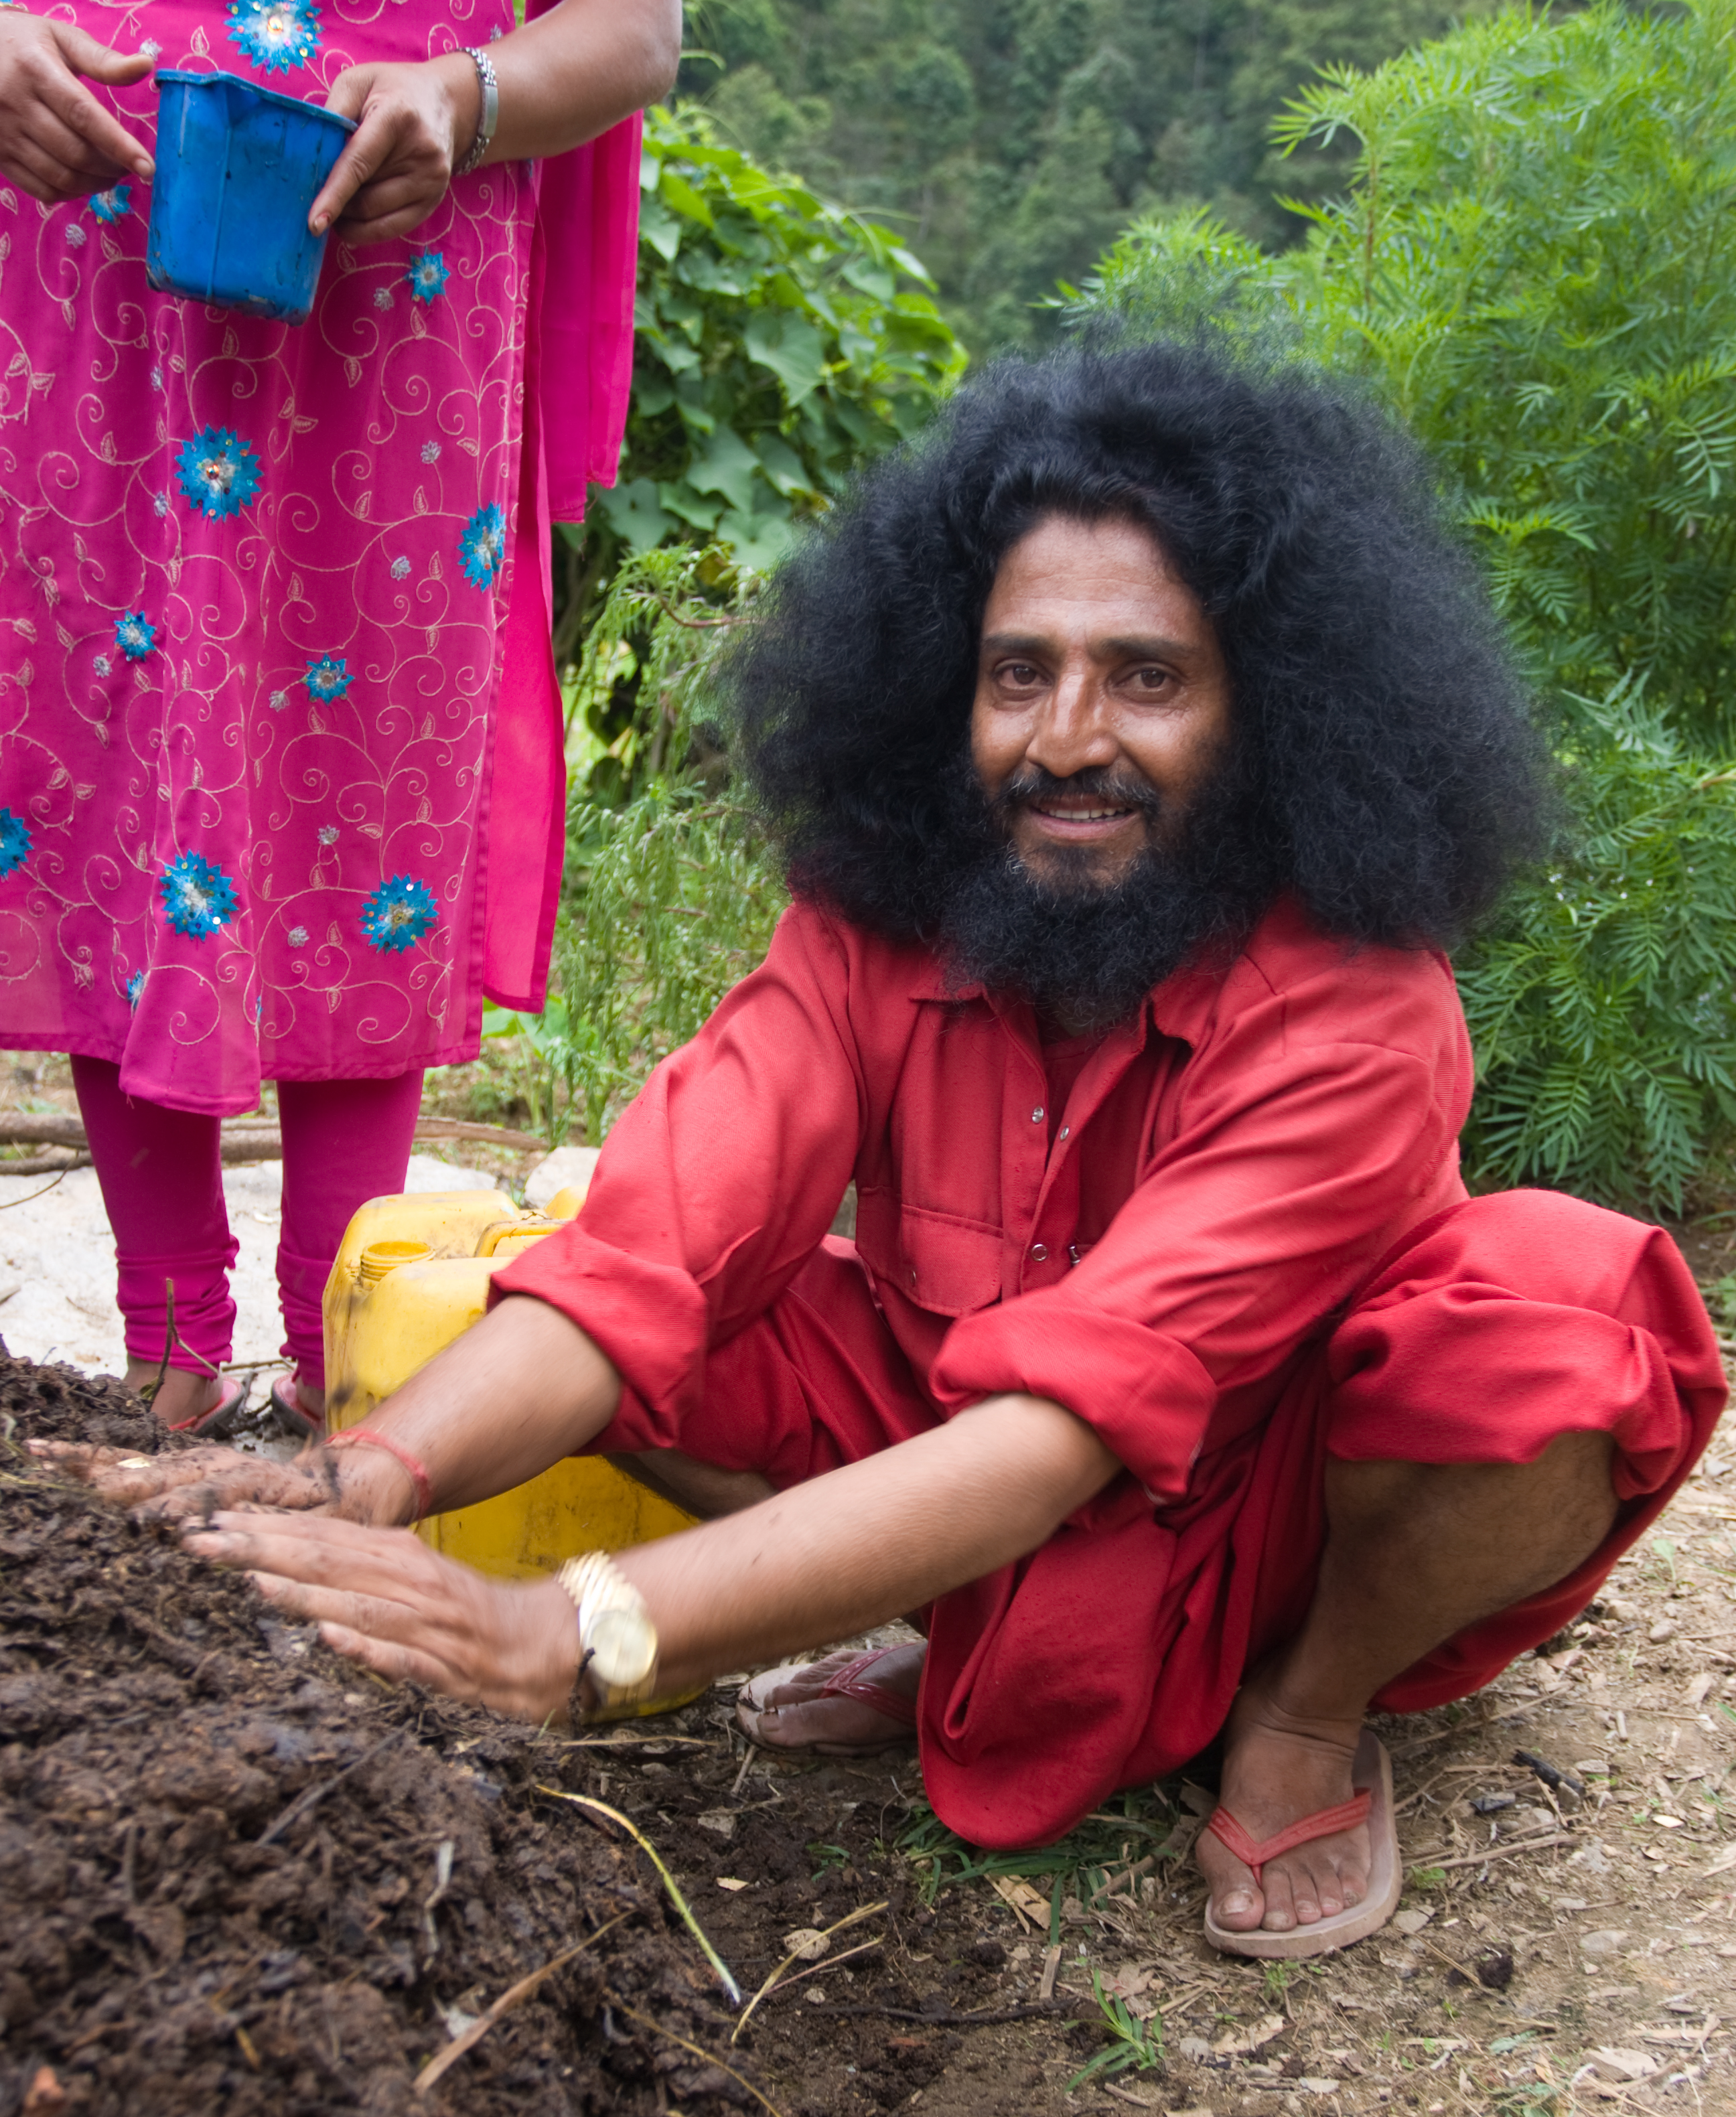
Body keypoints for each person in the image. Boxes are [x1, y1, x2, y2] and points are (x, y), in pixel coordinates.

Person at [43, 343, 1724, 1957]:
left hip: (1250, 1527)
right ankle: (969, 1627)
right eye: (1019, 673)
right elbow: (643, 1256)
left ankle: (1298, 1714)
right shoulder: (874, 929)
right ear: (948, 689)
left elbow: (1065, 1428)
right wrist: (361, 1478)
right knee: (610, 1294)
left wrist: (579, 1635)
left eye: (1146, 677)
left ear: (1269, 711)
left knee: (1555, 1320)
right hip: (960, 1458)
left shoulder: (1359, 1007)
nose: (1067, 738)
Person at [0, 0, 678, 1430]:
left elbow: (636, 33)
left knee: (370, 810)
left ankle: (343, 1375)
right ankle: (166, 1364)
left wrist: (466, 96)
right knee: (120, 769)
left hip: (399, 316)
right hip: (90, 299)